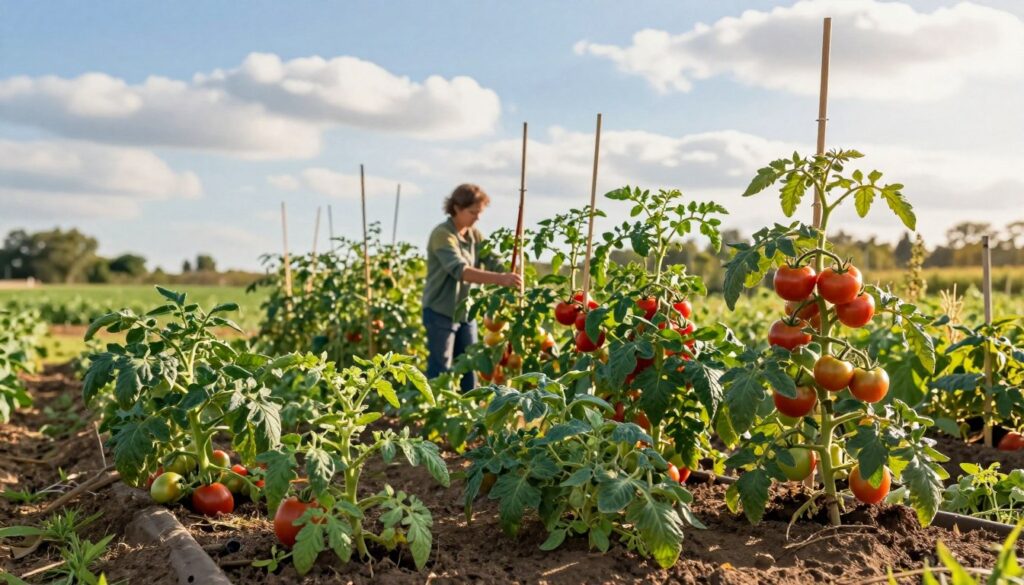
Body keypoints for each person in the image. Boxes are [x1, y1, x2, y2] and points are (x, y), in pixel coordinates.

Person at [422, 184, 522, 391]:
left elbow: (493, 259)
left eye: (480, 213)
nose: (477, 218)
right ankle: (435, 415)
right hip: (440, 311)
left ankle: (470, 416)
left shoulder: (474, 235)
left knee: (471, 364)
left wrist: (515, 267)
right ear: (457, 208)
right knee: (441, 368)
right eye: (473, 212)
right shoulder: (442, 234)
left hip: (465, 313)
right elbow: (461, 270)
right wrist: (501, 279)